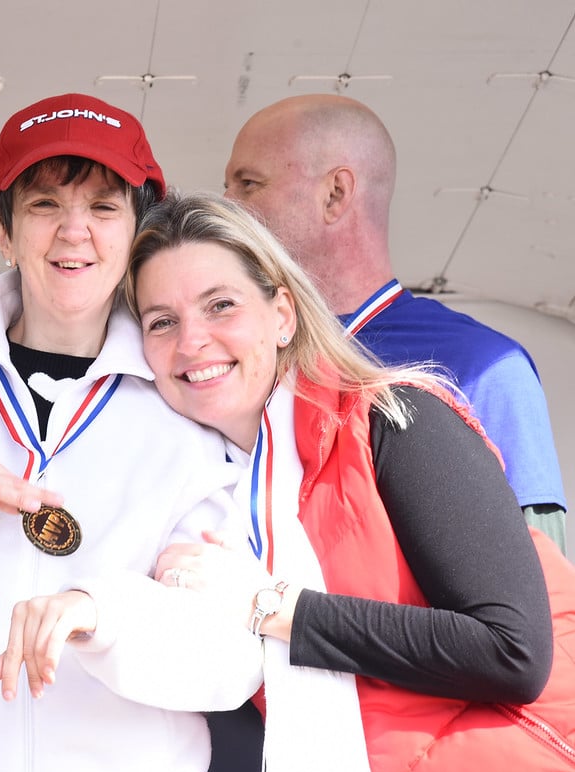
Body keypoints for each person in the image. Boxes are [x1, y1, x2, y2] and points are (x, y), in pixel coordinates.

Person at [0, 94, 263, 772]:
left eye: (104, 207)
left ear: (138, 228)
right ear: (5, 232)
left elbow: (229, 660)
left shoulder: (185, 405)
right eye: (45, 205)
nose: (72, 232)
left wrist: (101, 612)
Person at [125, 191, 575, 772]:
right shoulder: (207, 501)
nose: (192, 341)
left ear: (282, 314)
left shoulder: (394, 418)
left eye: (220, 306)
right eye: (162, 321)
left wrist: (269, 605)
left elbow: (512, 652)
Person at [223, 93, 567, 553]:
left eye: (248, 184)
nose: (225, 205)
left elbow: (544, 594)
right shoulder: (220, 356)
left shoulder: (481, 367)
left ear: (335, 194)